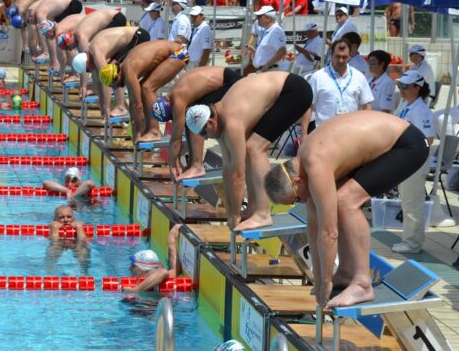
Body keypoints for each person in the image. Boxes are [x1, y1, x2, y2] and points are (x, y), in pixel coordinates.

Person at [263, 111, 429, 307]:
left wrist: (325, 282)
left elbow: (329, 233)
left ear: (296, 181)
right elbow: (314, 225)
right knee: (335, 202)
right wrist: (320, 278)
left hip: (408, 144)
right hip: (387, 145)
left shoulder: (315, 163)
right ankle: (345, 272)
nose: (301, 201)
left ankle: (362, 283)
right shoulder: (303, 165)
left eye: (297, 199)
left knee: (345, 201)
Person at [185, 72, 312, 231]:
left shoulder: (231, 123)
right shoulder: (218, 119)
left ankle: (263, 213)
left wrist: (234, 215)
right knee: (249, 148)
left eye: (203, 134)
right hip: (284, 89)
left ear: (210, 122)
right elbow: (227, 170)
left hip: (294, 91)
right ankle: (254, 207)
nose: (205, 138)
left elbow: (239, 176)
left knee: (255, 148)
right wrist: (230, 211)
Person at [153, 67, 241, 180]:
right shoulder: (173, 93)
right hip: (227, 79)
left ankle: (197, 166)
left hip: (231, 83)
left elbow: (175, 140)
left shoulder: (177, 100)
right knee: (190, 115)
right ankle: (193, 164)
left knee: (194, 117)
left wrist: (172, 165)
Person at [104, 40, 189, 144]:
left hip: (180, 53)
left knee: (147, 88)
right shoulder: (125, 66)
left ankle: (154, 131)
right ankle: (150, 129)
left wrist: (137, 132)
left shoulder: (129, 71)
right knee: (144, 86)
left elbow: (137, 106)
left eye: (113, 84)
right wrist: (137, 129)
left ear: (116, 76)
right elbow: (132, 103)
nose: (115, 87)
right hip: (177, 52)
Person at [392, 70, 435, 254]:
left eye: (405, 86)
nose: (401, 89)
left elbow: (429, 138)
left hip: (414, 162)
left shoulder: (421, 110)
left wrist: (410, 152)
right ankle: (409, 240)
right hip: (405, 161)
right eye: (399, 85)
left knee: (412, 203)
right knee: (407, 202)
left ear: (417, 88)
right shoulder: (405, 104)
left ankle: (412, 243)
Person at [301, 38, 373, 134]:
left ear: (350, 56)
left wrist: (364, 130)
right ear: (331, 54)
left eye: (344, 57)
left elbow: (367, 106)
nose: (341, 60)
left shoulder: (359, 77)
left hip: (351, 133)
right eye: (337, 56)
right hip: (323, 133)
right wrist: (304, 134)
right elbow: (308, 107)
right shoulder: (318, 77)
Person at [69, 8, 128, 99]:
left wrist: (83, 86)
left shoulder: (81, 37)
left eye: (69, 46)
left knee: (103, 63)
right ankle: (99, 88)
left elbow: (86, 62)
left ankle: (115, 99)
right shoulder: (77, 33)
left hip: (115, 19)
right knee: (99, 60)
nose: (71, 49)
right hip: (115, 17)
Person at [91, 26, 149, 118]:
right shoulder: (92, 52)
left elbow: (107, 80)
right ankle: (121, 106)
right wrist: (102, 106)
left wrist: (106, 108)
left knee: (114, 70)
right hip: (134, 36)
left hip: (138, 36)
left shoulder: (96, 52)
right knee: (114, 70)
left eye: (87, 69)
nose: (90, 70)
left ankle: (121, 107)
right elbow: (99, 80)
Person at [34, 0, 84, 76]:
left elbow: (49, 37)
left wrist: (54, 62)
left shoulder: (41, 14)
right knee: (64, 43)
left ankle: (75, 73)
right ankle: (72, 69)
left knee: (66, 44)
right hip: (71, 5)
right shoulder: (46, 14)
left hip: (72, 5)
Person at [122, 224, 181, 293]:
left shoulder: (149, 277)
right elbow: (176, 270)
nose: (130, 268)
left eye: (134, 265)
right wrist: (171, 241)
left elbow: (163, 272)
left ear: (144, 269)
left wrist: (136, 290)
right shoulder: (146, 279)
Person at [46, 205, 90, 272]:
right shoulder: (53, 225)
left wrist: (79, 228)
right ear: (55, 219)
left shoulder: (78, 224)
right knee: (53, 248)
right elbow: (53, 241)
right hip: (59, 242)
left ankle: (84, 271)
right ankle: (49, 271)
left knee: (83, 249)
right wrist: (55, 228)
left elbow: (83, 241)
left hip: (75, 242)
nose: (66, 220)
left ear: (74, 218)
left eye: (69, 217)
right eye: (61, 217)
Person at [252, 6, 287, 73]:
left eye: (259, 17)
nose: (257, 19)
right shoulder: (270, 31)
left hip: (269, 71)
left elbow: (282, 51)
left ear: (268, 18)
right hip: (267, 71)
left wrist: (267, 66)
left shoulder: (275, 31)